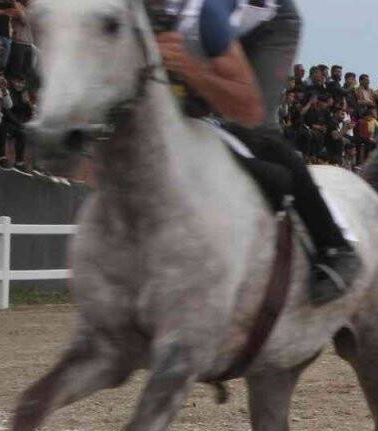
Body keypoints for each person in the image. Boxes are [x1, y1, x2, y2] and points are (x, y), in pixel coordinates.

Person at [151, 0, 359, 305]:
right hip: (214, 31)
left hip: (268, 27)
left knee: (255, 131)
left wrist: (192, 70)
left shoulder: (205, 15)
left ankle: (335, 246)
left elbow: (247, 107)